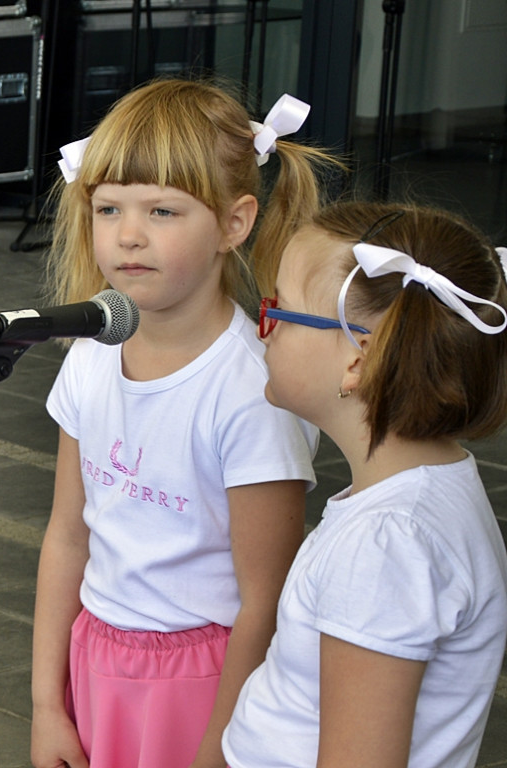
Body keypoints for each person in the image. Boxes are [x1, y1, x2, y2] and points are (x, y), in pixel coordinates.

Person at [31, 78, 346, 768]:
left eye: (163, 211)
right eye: (108, 207)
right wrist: (47, 706)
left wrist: (219, 746)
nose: (128, 235)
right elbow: (66, 536)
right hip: (97, 659)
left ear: (233, 224)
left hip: (203, 683)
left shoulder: (251, 391)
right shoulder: (89, 358)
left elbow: (265, 599)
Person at [222, 201, 507, 768]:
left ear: (357, 359)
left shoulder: (387, 544)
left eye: (278, 310)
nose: (265, 330)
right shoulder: (417, 496)